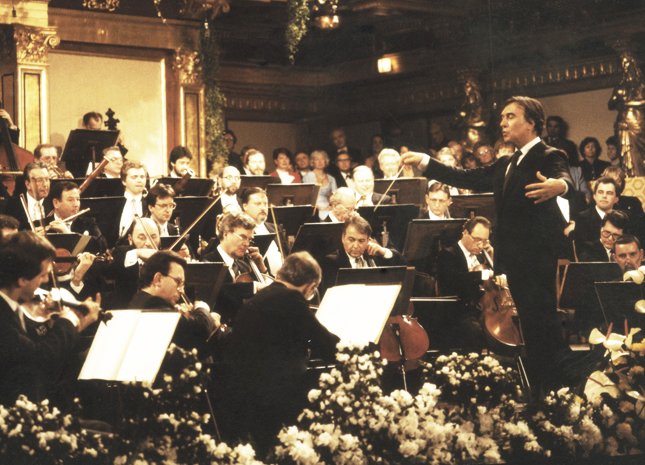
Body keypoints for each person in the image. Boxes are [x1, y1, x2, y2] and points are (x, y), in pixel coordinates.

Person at [402, 95, 574, 395]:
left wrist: (558, 187)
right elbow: (463, 176)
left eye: (510, 116)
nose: (503, 122)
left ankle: (552, 394)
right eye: (503, 117)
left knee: (542, 328)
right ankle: (539, 393)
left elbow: (564, 177)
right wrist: (425, 162)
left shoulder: (549, 154)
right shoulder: (507, 162)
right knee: (532, 332)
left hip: (536, 259)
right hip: (516, 261)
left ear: (532, 122)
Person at [216, 251, 339, 453]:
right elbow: (324, 342)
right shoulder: (291, 298)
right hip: (273, 396)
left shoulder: (263, 295)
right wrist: (355, 350)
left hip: (246, 393)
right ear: (310, 287)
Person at [0, 231, 100, 405]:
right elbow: (39, 358)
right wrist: (69, 320)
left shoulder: (12, 305)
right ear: (22, 279)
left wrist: (76, 326)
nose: (46, 280)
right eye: (43, 275)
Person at [129, 250, 218, 353]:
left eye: (183, 284)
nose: (181, 290)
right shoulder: (153, 305)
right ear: (158, 279)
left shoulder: (139, 299)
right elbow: (199, 330)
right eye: (178, 282)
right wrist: (203, 309)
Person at [436, 217, 495, 351]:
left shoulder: (482, 254)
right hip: (459, 310)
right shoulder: (447, 254)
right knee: (475, 331)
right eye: (477, 239)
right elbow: (455, 281)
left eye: (485, 241)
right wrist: (485, 274)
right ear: (465, 233)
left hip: (483, 307)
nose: (480, 245)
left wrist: (492, 258)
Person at [201, 212, 266, 323]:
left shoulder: (245, 265)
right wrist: (254, 286)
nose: (246, 244)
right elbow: (222, 290)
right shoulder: (207, 263)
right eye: (242, 237)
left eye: (249, 239)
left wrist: (262, 268)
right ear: (226, 234)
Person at [320, 214, 404, 296]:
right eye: (351, 240)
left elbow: (403, 265)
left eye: (361, 241)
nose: (356, 246)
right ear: (343, 238)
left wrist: (383, 251)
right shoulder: (331, 262)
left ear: (368, 240)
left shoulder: (375, 255)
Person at [47, 181, 107, 252]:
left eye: (78, 199)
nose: (76, 204)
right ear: (56, 203)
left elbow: (102, 246)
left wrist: (67, 233)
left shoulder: (88, 223)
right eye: (70, 200)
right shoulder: (41, 224)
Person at [240, 187, 282, 275]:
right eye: (258, 204)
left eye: (265, 204)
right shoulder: (241, 231)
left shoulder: (275, 227)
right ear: (245, 206)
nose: (263, 208)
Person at [570, 176, 620, 245]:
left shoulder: (622, 218)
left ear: (616, 199)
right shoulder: (582, 218)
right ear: (594, 196)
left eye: (609, 193)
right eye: (600, 192)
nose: (604, 196)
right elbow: (582, 249)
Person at [5, 161, 52, 230]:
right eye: (39, 180)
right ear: (28, 184)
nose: (45, 184)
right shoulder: (12, 205)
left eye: (47, 179)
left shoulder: (54, 203)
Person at [303, 150, 337, 219]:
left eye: (322, 159)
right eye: (317, 159)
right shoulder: (308, 176)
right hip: (314, 209)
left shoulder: (331, 178)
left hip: (328, 208)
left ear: (326, 161)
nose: (320, 162)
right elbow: (306, 196)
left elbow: (335, 197)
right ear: (312, 162)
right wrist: (319, 208)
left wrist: (331, 207)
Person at [118, 160, 148, 238]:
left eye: (142, 177)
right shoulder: (114, 204)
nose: (139, 180)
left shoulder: (149, 204)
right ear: (124, 181)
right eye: (134, 177)